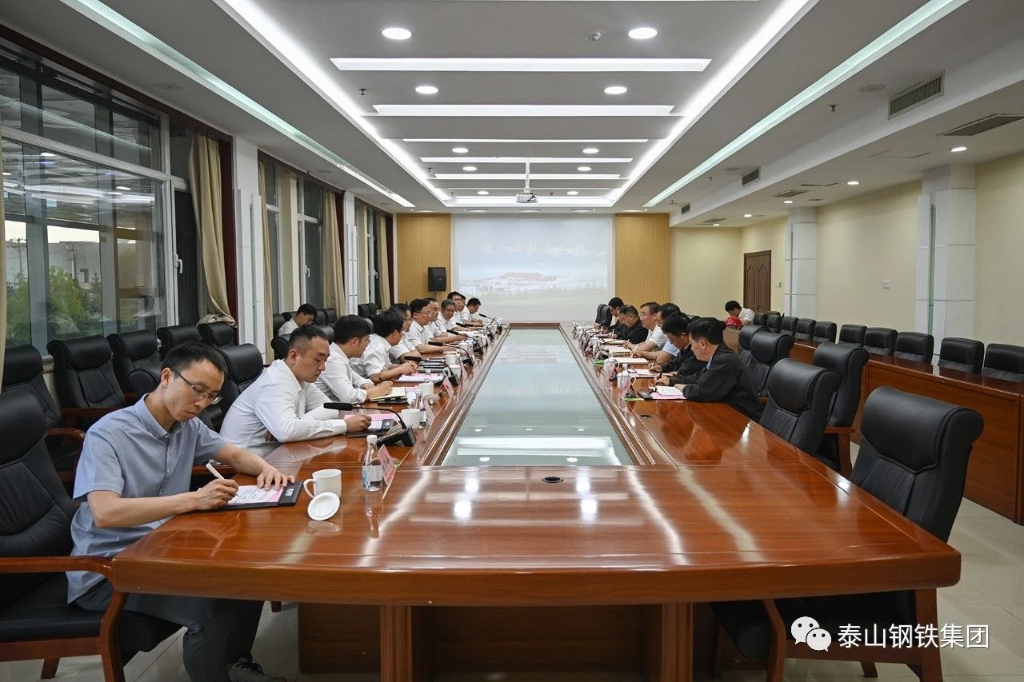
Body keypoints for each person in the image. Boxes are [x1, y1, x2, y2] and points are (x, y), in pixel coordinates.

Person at [68, 342, 292, 682]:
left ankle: (234, 664)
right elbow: (105, 513)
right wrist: (194, 499)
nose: (201, 403)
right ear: (167, 377)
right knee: (209, 609)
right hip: (110, 569)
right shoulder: (108, 434)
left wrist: (267, 469)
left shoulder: (188, 425)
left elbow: (234, 454)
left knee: (248, 576)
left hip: (159, 548)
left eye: (211, 396)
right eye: (196, 390)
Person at [220, 325, 371, 447]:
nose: (323, 367)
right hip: (239, 468)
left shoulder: (300, 378)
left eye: (325, 360)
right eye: (318, 360)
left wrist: (298, 422)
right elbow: (287, 432)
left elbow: (331, 408)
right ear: (294, 356)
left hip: (276, 456)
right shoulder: (275, 382)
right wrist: (344, 425)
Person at [671, 317, 763, 421]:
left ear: (702, 344)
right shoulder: (718, 356)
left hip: (745, 420)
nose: (691, 348)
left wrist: (683, 388)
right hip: (729, 415)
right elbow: (699, 378)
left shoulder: (725, 361)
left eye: (692, 344)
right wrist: (672, 381)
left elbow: (702, 391)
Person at [317, 315, 397, 403]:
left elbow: (356, 378)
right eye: (367, 340)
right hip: (330, 410)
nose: (368, 345)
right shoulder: (332, 359)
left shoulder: (339, 355)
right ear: (354, 341)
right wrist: (378, 391)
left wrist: (365, 384)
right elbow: (348, 397)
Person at [364, 310, 418, 384]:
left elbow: (386, 367)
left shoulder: (381, 342)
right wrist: (400, 369)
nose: (403, 334)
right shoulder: (376, 347)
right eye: (402, 331)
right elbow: (375, 377)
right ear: (395, 334)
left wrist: (405, 366)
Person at [653, 314, 704, 381]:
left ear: (683, 336)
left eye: (671, 339)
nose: (670, 343)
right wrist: (662, 368)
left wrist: (675, 376)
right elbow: (676, 363)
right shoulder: (684, 348)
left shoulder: (695, 350)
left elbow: (685, 371)